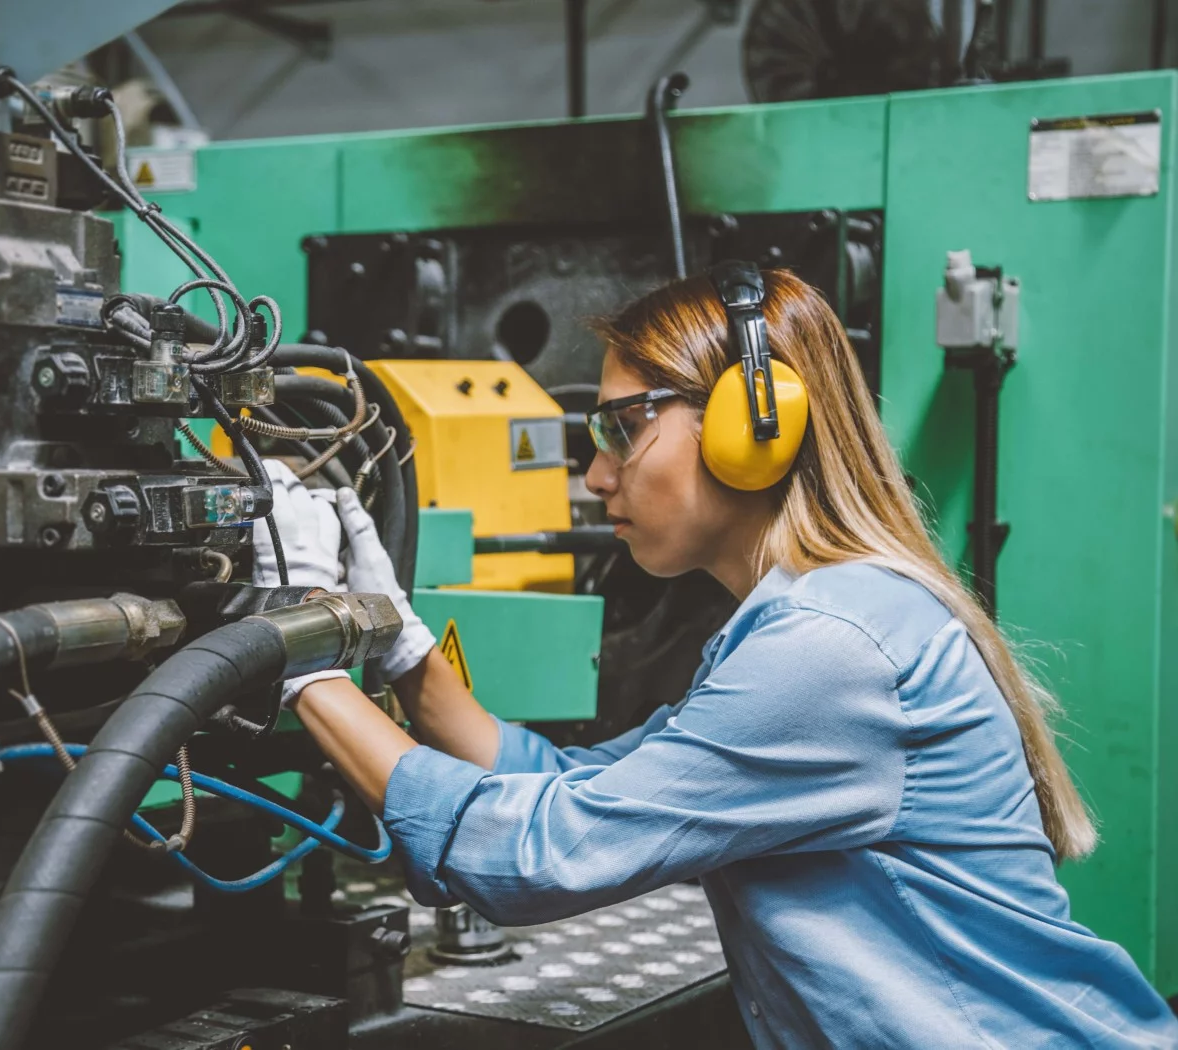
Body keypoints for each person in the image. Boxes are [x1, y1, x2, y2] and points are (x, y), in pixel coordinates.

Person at [252, 265, 1178, 1048]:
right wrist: (398, 639)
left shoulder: (828, 651)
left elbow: (534, 856)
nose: (597, 474)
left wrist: (302, 646)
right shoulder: (812, 619)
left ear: (753, 426)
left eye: (623, 427)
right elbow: (564, 785)